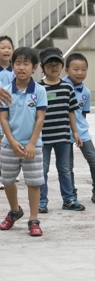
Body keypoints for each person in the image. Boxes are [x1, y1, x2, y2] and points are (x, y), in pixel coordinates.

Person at [0, 47, 47, 236]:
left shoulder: (40, 91)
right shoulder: (5, 92)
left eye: (26, 64)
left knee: (34, 183)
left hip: (32, 146)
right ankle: (14, 211)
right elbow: (3, 119)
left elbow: (40, 119)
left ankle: (33, 219)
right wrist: (11, 141)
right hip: (9, 145)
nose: (21, 67)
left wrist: (31, 143)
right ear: (12, 66)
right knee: (8, 180)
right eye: (17, 63)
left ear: (34, 67)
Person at [38, 48, 83, 213]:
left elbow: (71, 111)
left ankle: (69, 200)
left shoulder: (67, 88)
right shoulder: (38, 88)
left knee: (65, 169)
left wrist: (75, 132)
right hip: (42, 138)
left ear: (62, 66)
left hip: (63, 137)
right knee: (41, 170)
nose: (53, 67)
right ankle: (41, 201)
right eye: (49, 64)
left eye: (56, 63)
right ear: (42, 66)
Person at [63, 53, 95, 204]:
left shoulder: (85, 92)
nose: (80, 73)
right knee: (67, 165)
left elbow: (83, 114)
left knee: (93, 160)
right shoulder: (61, 88)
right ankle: (71, 192)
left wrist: (80, 132)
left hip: (82, 132)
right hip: (63, 133)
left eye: (84, 69)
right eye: (76, 69)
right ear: (66, 70)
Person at [0, 35, 15, 190]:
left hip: (12, 112)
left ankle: (9, 173)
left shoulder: (16, 69)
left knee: (9, 142)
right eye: (2, 47)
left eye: (9, 47)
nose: (6, 50)